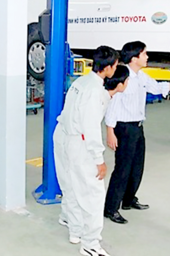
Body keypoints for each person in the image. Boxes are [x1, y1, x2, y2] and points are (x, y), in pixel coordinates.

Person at [53, 46, 126, 256]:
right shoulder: (95, 91)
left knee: (70, 184)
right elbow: (91, 128)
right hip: (79, 142)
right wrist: (98, 159)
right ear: (110, 67)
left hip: (63, 135)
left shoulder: (81, 81)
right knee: (92, 194)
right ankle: (90, 244)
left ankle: (74, 228)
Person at [104, 41, 170, 224]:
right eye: (144, 54)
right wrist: (110, 131)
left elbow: (158, 88)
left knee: (137, 167)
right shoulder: (122, 76)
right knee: (122, 169)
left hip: (137, 127)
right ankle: (111, 208)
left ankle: (129, 200)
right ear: (134, 58)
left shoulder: (141, 77)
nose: (147, 57)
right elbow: (112, 105)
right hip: (123, 128)